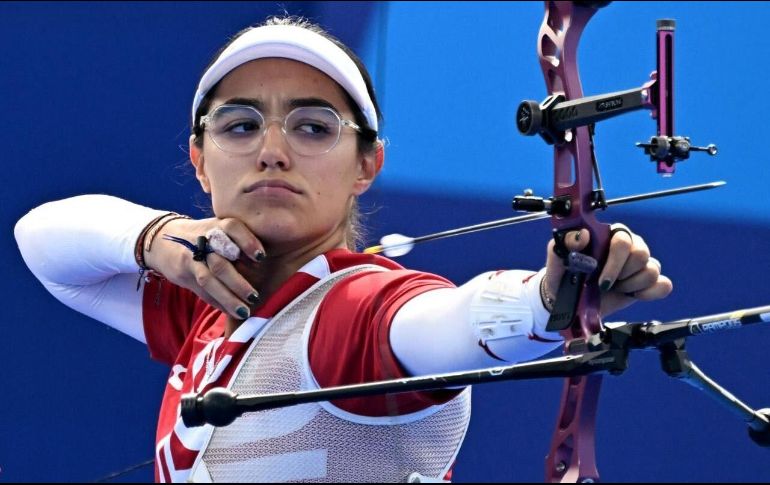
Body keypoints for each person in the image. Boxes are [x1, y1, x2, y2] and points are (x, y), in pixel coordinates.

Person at [14, 16, 671, 483]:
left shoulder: (356, 310)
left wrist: (549, 299)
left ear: (367, 164)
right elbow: (42, 243)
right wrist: (155, 238)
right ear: (199, 160)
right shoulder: (207, 306)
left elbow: (452, 321)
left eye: (312, 126)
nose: (273, 149)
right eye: (240, 125)